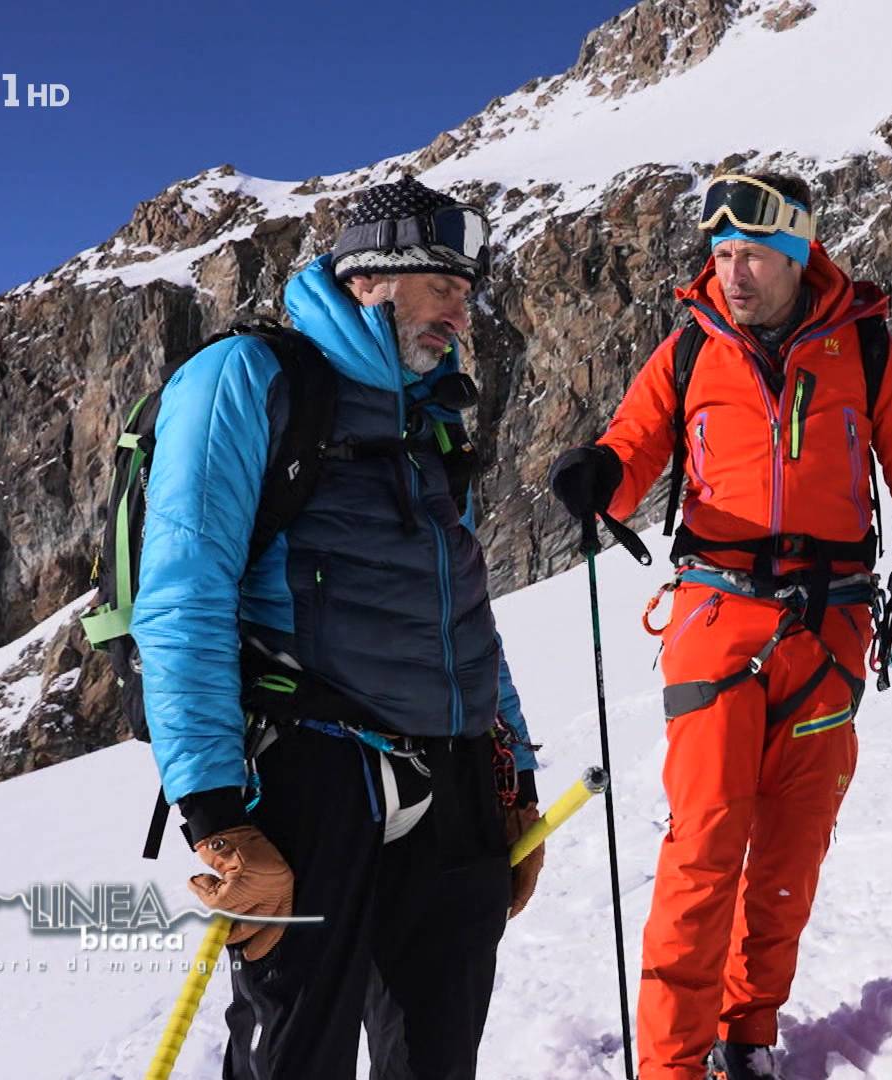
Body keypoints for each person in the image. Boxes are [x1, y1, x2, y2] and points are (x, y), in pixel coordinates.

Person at [130, 176, 545, 1079]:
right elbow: (182, 595)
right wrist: (213, 817)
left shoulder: (431, 419)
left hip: (457, 777)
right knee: (294, 1060)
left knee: (437, 1060)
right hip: (313, 779)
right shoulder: (247, 379)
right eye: (443, 287)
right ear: (372, 278)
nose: (459, 317)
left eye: (468, 296)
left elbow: (462, 606)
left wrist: (514, 771)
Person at [547, 171, 892, 1080]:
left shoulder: (867, 346)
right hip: (717, 616)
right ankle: (671, 1066)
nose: (732, 274)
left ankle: (749, 1031)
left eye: (753, 255)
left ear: (799, 254)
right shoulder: (690, 349)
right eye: (721, 254)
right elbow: (631, 446)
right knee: (705, 844)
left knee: (792, 845)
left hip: (833, 628)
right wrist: (596, 479)